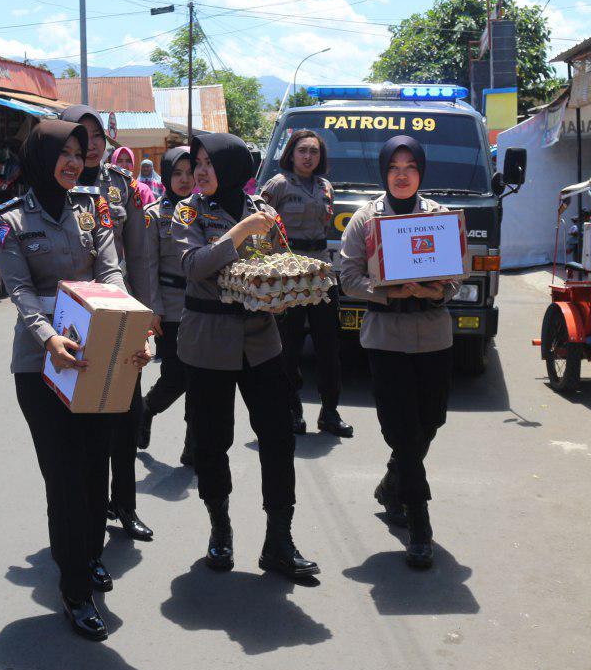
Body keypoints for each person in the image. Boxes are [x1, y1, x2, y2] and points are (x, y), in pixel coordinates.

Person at [0, 119, 150, 642]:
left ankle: (87, 555)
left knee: (94, 468)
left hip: (96, 354)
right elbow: (20, 291)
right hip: (40, 364)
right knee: (64, 477)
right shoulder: (11, 220)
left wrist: (129, 327)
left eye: (78, 154)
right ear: (41, 158)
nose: (72, 162)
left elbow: (111, 272)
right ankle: (75, 588)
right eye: (63, 153)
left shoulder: (93, 207)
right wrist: (48, 338)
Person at [172, 133, 319, 579]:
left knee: (279, 437)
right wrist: (240, 232)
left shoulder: (262, 210)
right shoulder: (188, 211)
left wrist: (285, 290)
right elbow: (193, 265)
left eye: (209, 163)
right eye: (197, 163)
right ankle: (220, 528)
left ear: (232, 168)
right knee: (211, 440)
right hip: (209, 340)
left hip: (260, 340)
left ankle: (279, 540)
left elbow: (276, 265)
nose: (200, 172)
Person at [339, 135, 459, 570]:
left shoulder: (440, 217)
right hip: (386, 338)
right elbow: (347, 277)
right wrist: (386, 291)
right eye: (394, 167)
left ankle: (391, 486)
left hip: (433, 336)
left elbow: (456, 276)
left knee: (430, 422)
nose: (402, 175)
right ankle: (419, 525)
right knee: (403, 432)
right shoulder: (365, 220)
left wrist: (436, 289)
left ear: (421, 173)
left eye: (410, 167)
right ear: (384, 173)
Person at [59, 105, 154, 542]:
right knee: (78, 419)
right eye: (82, 136)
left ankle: (125, 505)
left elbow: (140, 254)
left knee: (127, 414)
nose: (91, 144)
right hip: (74, 319)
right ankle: (84, 511)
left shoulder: (122, 185)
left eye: (97, 136)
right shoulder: (55, 183)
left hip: (120, 312)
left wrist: (148, 315)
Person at [260, 129, 351, 438]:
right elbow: (260, 227)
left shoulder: (326, 187)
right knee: (289, 345)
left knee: (329, 344)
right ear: (291, 153)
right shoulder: (278, 185)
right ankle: (291, 409)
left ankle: (330, 412)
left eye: (314, 151)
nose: (308, 156)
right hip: (288, 273)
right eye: (302, 150)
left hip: (321, 271)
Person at [137, 146, 195, 463]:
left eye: (190, 172)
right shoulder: (154, 215)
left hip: (203, 306)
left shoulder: (207, 211)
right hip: (169, 307)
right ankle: (147, 408)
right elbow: (148, 266)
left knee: (200, 378)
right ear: (166, 176)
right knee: (175, 377)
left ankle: (193, 445)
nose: (185, 179)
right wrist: (153, 309)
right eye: (177, 173)